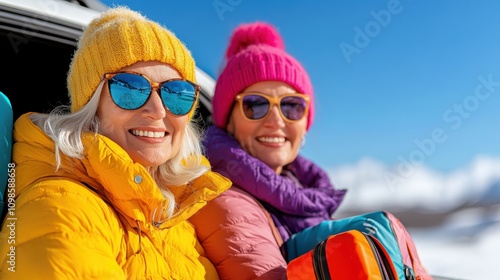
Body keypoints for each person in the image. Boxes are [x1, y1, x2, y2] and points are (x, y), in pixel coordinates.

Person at [0, 7, 231, 279]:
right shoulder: (65, 207)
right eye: (130, 88)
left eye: (176, 93)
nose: (157, 110)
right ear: (91, 106)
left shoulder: (179, 220)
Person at [189, 22, 347, 278]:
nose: (276, 120)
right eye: (255, 105)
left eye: (292, 106)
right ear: (228, 121)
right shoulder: (226, 198)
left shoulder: (303, 190)